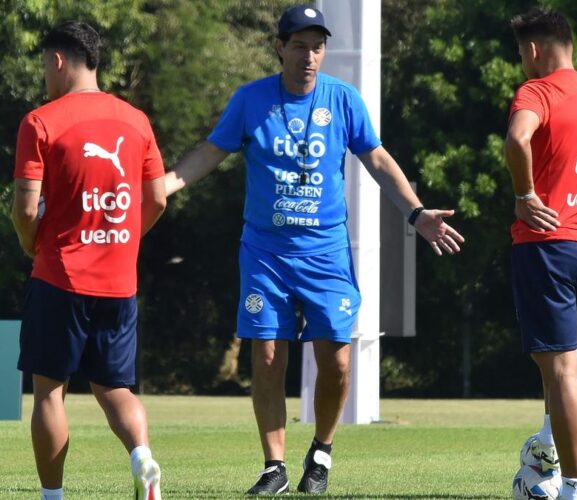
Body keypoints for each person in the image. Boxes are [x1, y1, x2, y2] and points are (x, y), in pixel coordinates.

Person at [163, 4, 464, 496]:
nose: (309, 56)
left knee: (338, 361)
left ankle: (321, 453)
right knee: (265, 356)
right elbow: (211, 151)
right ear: (279, 48)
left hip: (326, 253)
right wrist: (166, 185)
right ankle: (274, 467)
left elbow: (379, 160)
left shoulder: (342, 100)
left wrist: (416, 213)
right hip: (265, 252)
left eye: (317, 46)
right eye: (299, 45)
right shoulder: (250, 100)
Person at [11, 21, 166, 500]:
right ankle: (142, 456)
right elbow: (157, 198)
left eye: (43, 66)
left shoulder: (41, 121)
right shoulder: (136, 120)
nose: (44, 76)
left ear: (58, 60)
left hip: (60, 276)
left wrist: (30, 242)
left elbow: (23, 208)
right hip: (119, 283)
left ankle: (52, 496)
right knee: (115, 387)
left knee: (49, 391)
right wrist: (120, 242)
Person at [504, 8, 577, 500]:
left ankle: (574, 487)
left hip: (550, 245)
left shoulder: (537, 90)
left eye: (520, 54)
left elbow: (517, 138)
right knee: (556, 363)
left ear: (533, 49)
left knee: (562, 371)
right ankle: (548, 442)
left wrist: (525, 193)